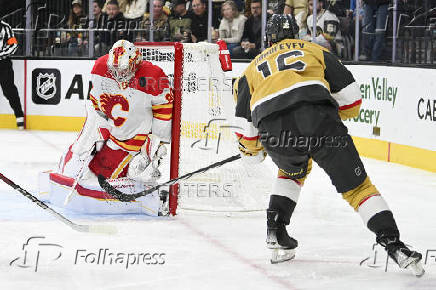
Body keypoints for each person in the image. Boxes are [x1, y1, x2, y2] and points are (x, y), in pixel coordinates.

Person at [233, 14, 424, 276]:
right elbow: (353, 101)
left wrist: (260, 148)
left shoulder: (248, 71)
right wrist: (328, 115)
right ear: (297, 34)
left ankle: (275, 230)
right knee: (358, 189)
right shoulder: (314, 50)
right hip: (320, 123)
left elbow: (248, 141)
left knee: (291, 170)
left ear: (268, 39)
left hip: (276, 133)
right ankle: (393, 243)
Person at [54, 40, 173, 216]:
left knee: (105, 179)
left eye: (123, 69)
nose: (118, 74)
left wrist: (156, 141)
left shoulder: (153, 75)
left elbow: (163, 109)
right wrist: (98, 126)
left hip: (132, 140)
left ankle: (151, 195)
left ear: (135, 61)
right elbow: (95, 100)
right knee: (69, 168)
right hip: (107, 131)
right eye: (115, 69)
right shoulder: (101, 67)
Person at [0, 20, 24, 129]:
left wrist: (1, 54)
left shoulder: (5, 27)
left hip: (4, 63)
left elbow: (13, 45)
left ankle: (19, 115)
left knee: (9, 90)